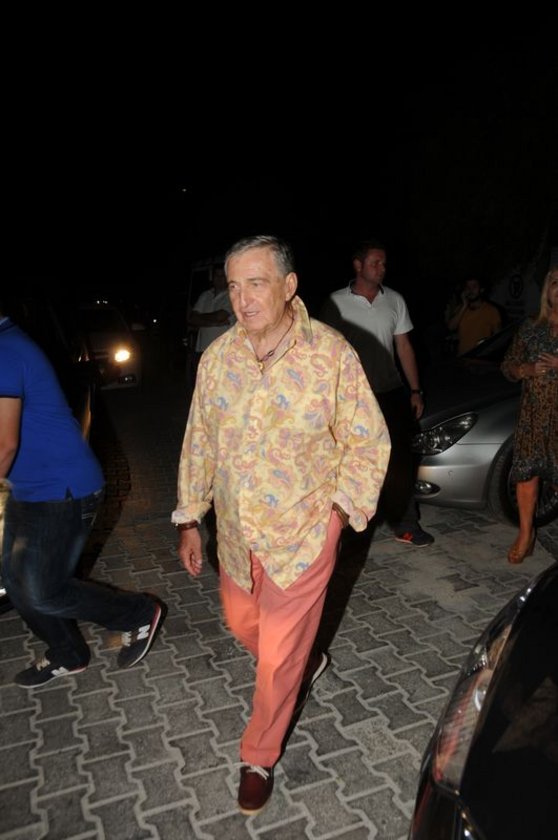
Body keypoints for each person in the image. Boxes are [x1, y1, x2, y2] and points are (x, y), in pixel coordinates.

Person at [172, 235, 390, 815]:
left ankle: (258, 756)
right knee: (243, 623)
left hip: (304, 535)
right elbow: (199, 443)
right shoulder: (219, 359)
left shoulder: (331, 355)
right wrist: (190, 517)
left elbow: (369, 442)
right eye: (234, 286)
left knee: (275, 661)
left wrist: (339, 515)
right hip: (238, 537)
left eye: (256, 283)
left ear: (289, 286)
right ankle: (305, 662)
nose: (242, 299)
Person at [0, 299, 164, 688]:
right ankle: (68, 653)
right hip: (30, 488)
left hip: (64, 490)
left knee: (44, 590)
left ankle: (138, 612)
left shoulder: (5, 350)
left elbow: (5, 445)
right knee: (16, 582)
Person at [320, 239, 434, 547]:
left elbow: (404, 346)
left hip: (390, 391)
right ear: (358, 265)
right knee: (349, 461)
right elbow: (324, 351)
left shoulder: (395, 299)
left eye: (384, 263)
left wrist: (415, 390)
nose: (382, 268)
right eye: (375, 263)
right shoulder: (335, 302)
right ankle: (342, 530)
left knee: (400, 460)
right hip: (351, 396)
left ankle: (406, 526)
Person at [501, 266, 558, 564]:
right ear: (547, 290)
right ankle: (526, 534)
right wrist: (525, 369)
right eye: (555, 282)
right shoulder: (531, 327)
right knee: (526, 476)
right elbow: (507, 364)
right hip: (533, 416)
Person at [446, 277, 502, 355]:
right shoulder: (461, 308)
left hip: (481, 358)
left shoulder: (491, 310)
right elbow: (451, 327)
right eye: (468, 287)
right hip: (462, 357)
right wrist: (464, 306)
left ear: (481, 290)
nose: (470, 290)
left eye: (474, 287)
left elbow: (498, 338)